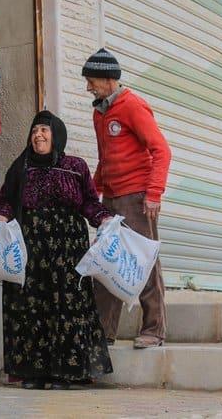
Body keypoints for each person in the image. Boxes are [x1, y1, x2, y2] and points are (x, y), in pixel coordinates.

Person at [0, 110, 113, 390]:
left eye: (44, 130)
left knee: (66, 307)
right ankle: (34, 372)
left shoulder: (75, 166)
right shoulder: (21, 167)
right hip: (32, 246)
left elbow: (88, 203)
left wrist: (103, 218)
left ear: (57, 134)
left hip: (68, 247)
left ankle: (66, 372)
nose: (38, 135)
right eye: (34, 131)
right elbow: (7, 200)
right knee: (31, 306)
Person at [82, 48, 172, 349]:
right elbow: (105, 158)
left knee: (143, 264)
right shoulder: (100, 112)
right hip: (111, 198)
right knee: (107, 263)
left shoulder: (132, 106)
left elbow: (162, 150)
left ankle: (154, 329)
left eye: (92, 81)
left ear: (109, 80)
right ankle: (103, 330)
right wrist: (93, 191)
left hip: (137, 197)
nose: (88, 87)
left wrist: (154, 193)